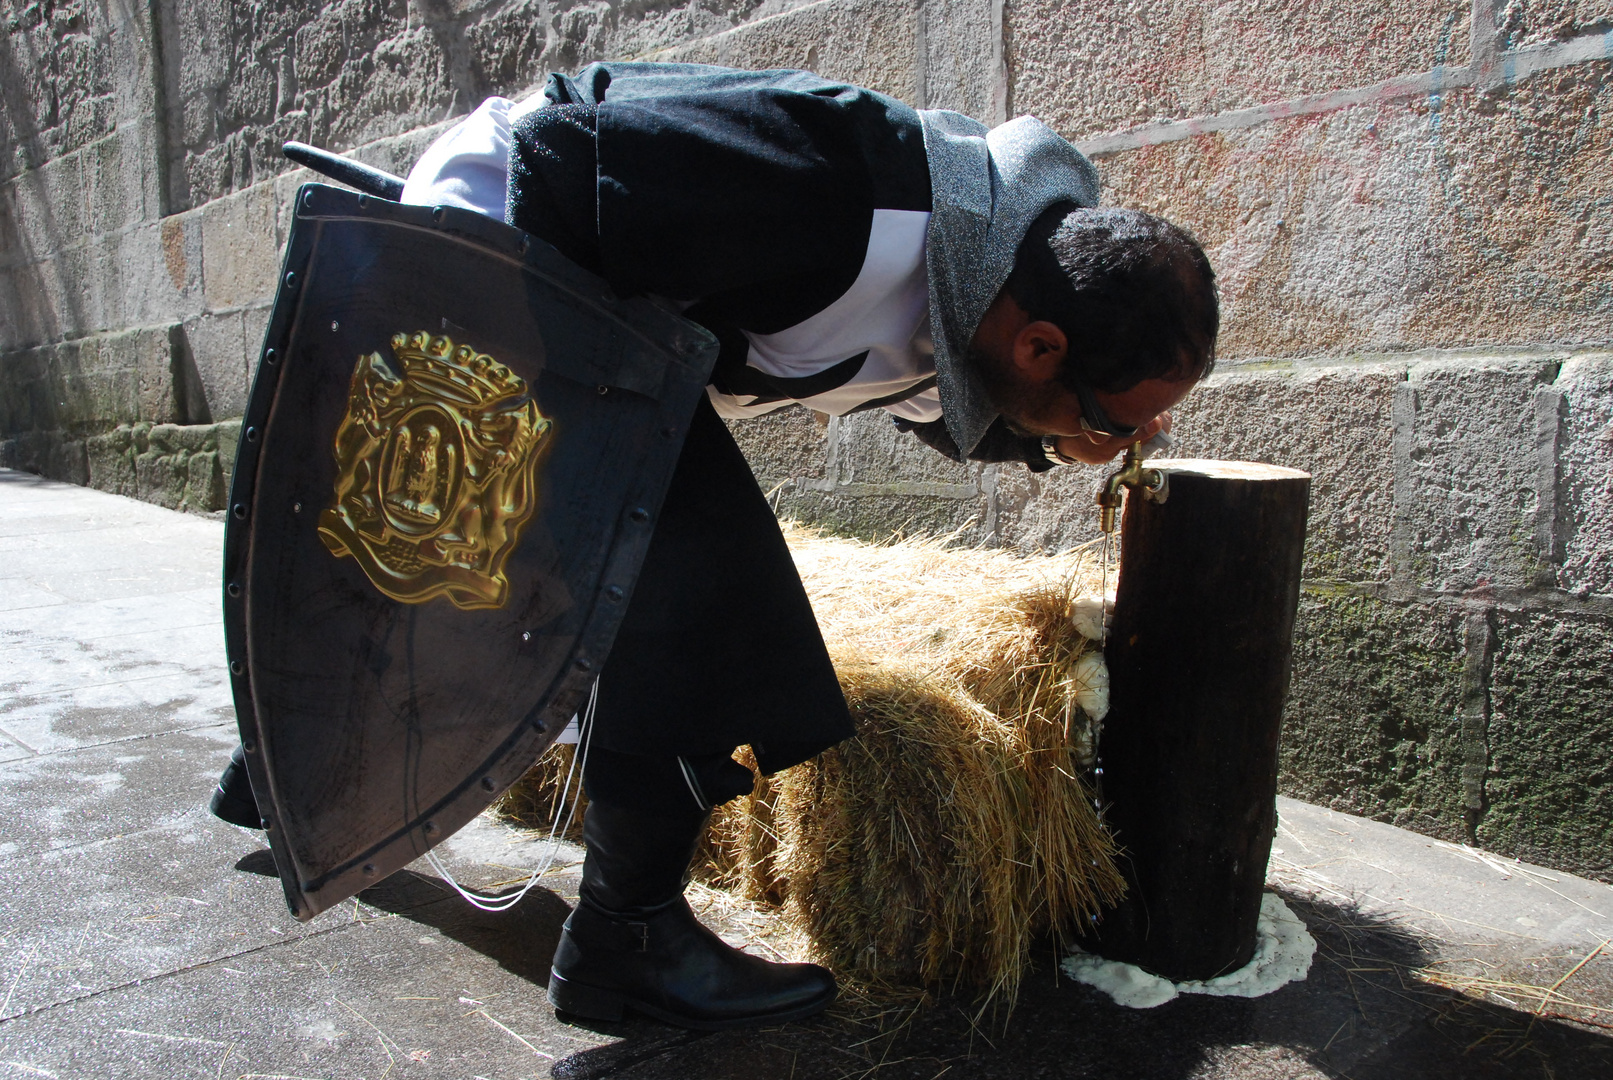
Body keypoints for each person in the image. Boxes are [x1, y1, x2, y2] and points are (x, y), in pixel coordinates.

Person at [212, 61, 1218, 1032]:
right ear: (1037, 344)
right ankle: (626, 941)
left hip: (606, 302)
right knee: (707, 605)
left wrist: (1071, 430)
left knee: (644, 559)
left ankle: (279, 772)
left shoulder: (990, 288)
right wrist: (570, 448)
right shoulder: (836, 199)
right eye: (1112, 419)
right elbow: (568, 147)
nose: (1120, 442)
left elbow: (964, 401)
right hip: (508, 250)